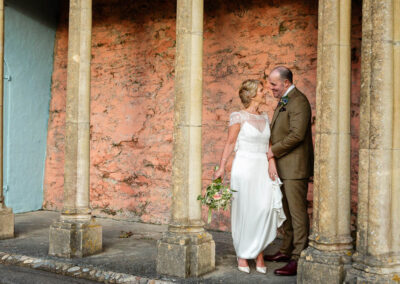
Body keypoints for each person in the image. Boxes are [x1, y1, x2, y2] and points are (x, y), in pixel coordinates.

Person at [214, 79, 286, 274]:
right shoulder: (238, 116)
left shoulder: (264, 116)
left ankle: (259, 252)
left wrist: (271, 161)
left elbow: (269, 143)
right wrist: (222, 167)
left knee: (263, 208)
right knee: (246, 210)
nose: (265, 92)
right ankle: (243, 254)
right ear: (252, 94)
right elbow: (230, 144)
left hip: (262, 167)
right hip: (244, 167)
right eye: (262, 90)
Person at [264, 66, 314, 276]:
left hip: (295, 168)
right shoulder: (286, 99)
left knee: (297, 212)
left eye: (273, 84)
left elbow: (296, 135)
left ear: (285, 83)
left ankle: (298, 257)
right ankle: (286, 250)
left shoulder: (299, 101)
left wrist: (271, 152)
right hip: (284, 166)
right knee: (286, 212)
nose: (271, 88)